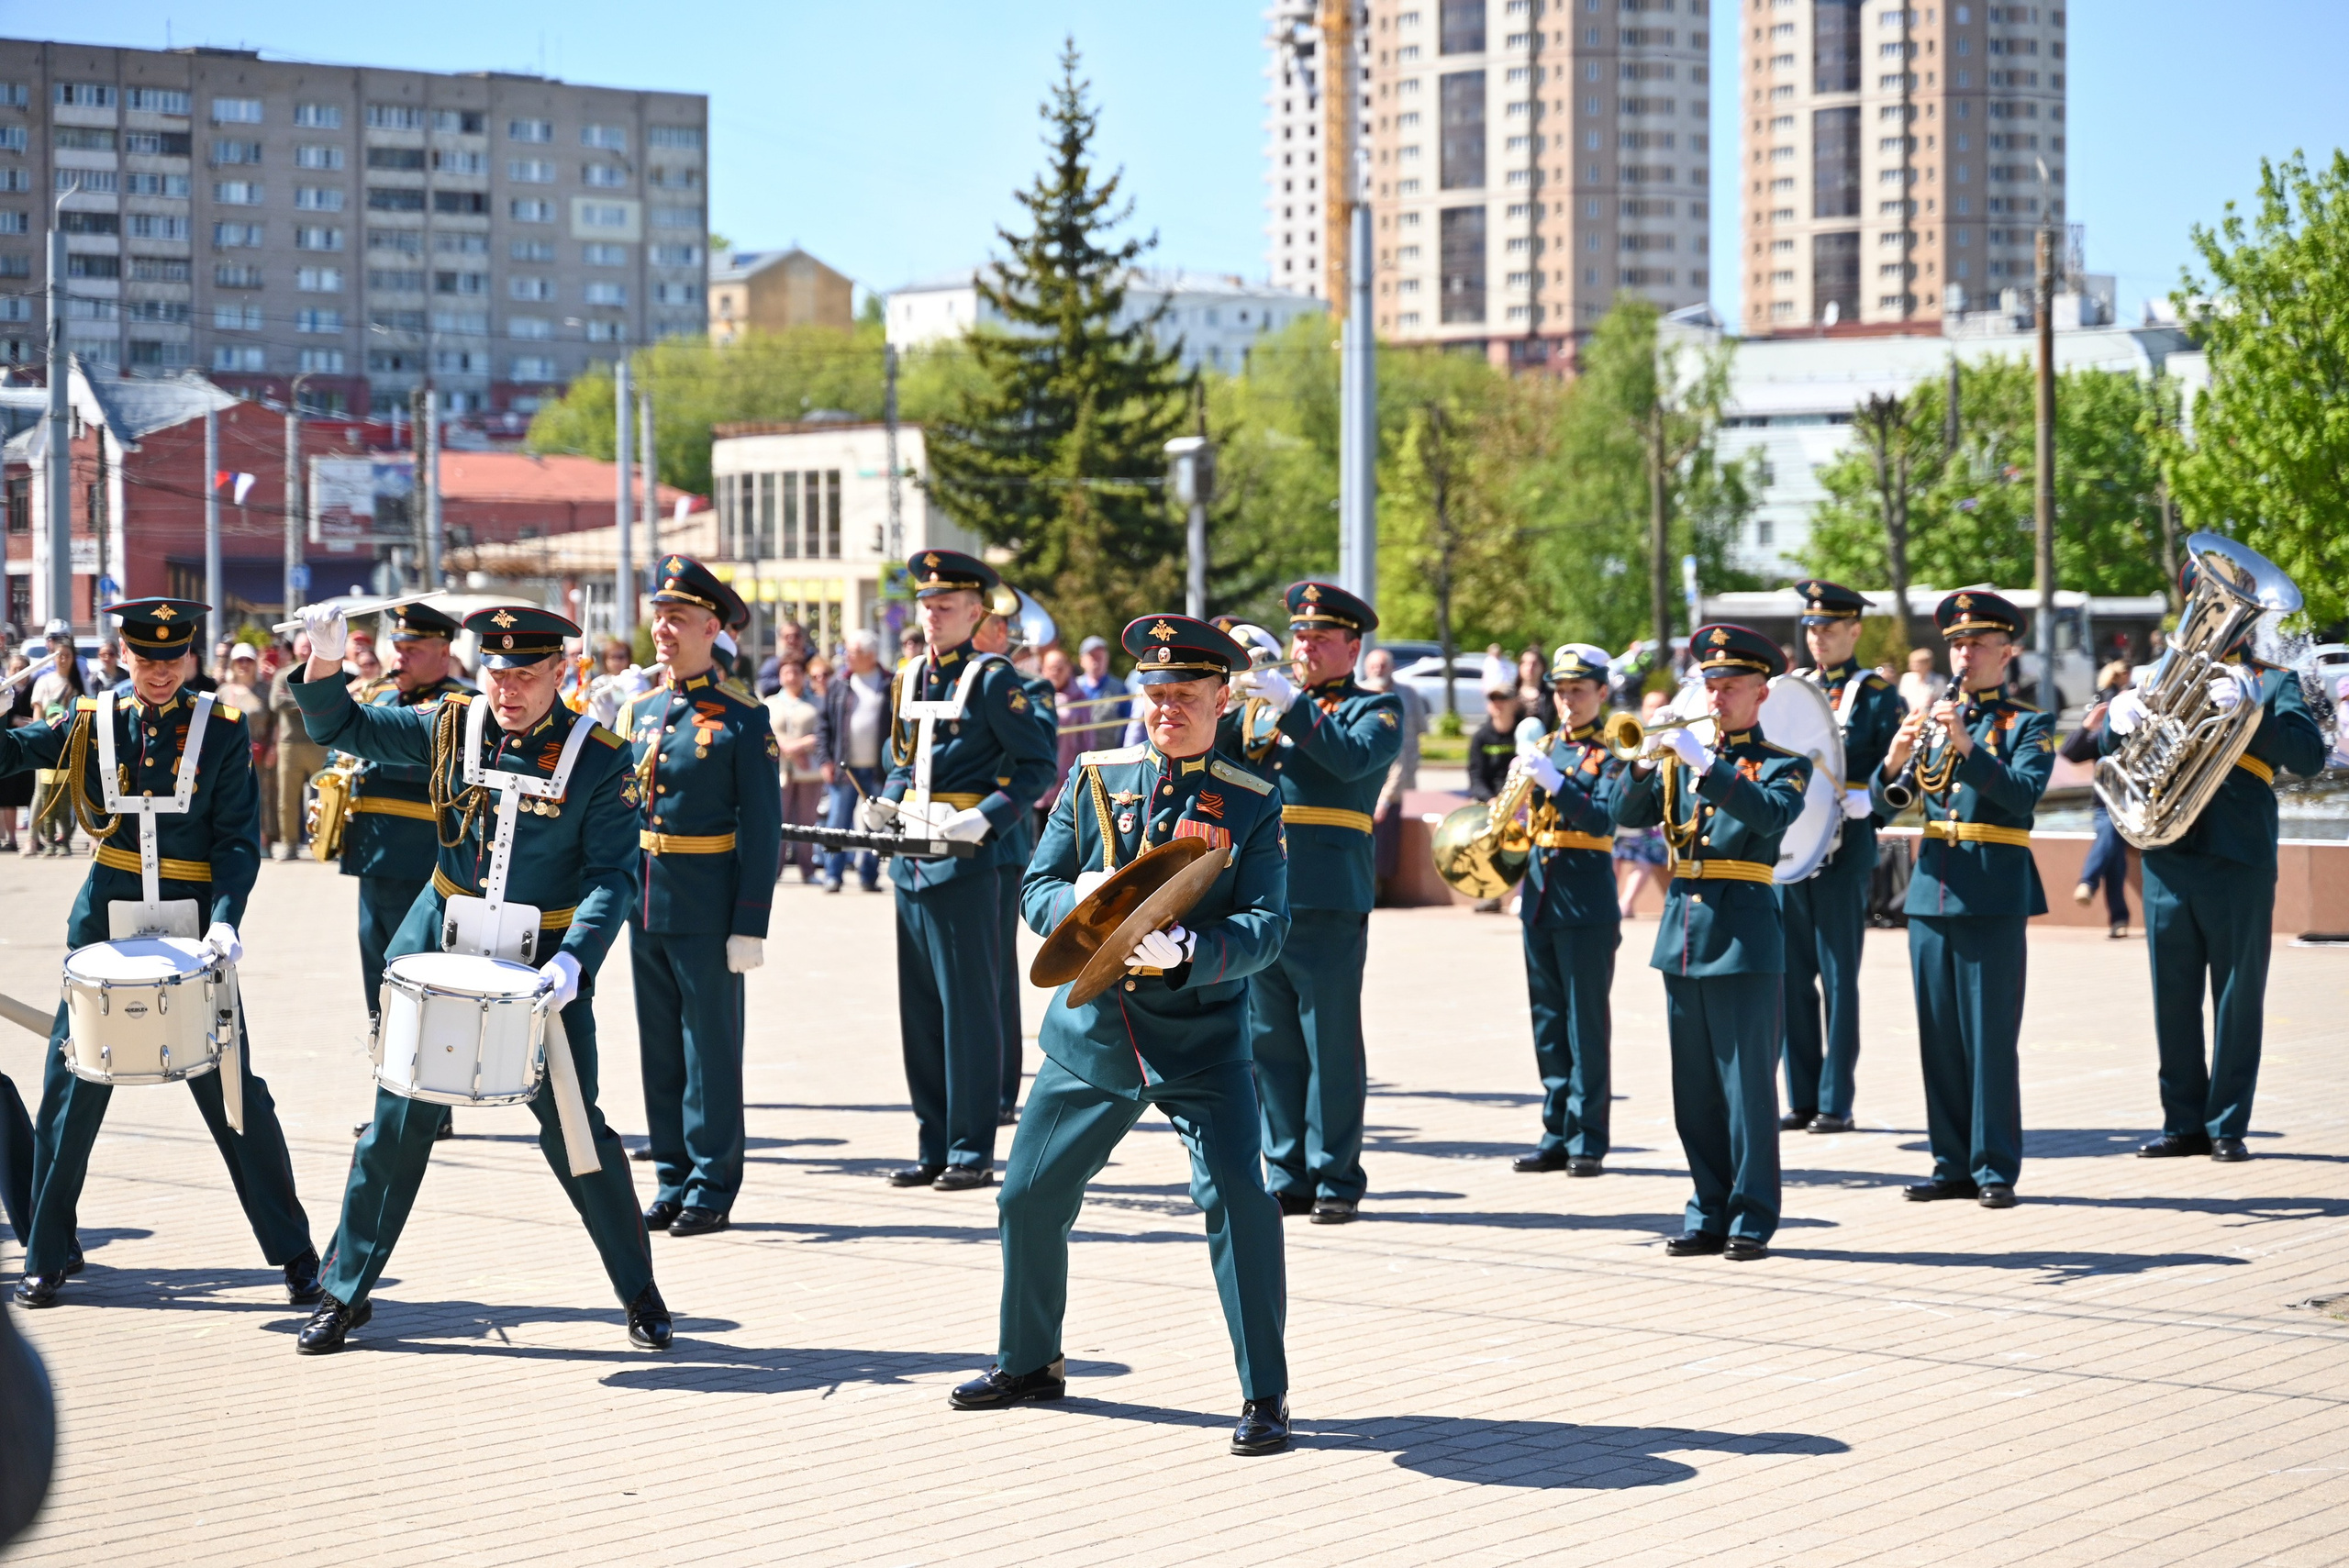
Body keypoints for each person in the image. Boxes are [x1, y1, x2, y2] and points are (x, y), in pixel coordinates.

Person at [285, 599, 669, 1353]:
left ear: (561, 671)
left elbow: (613, 876)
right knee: (396, 1127)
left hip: (543, 962)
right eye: (496, 673)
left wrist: (576, 958)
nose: (507, 691)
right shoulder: (451, 723)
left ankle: (639, 1290)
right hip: (443, 948)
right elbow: (343, 728)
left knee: (574, 1130)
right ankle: (344, 1291)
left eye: (525, 674)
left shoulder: (600, 756)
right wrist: (324, 664)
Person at [952, 613, 1293, 1457]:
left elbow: (1268, 927)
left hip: (1201, 1038)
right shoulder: (1095, 777)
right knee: (1026, 1196)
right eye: (1154, 693)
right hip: (1094, 1032)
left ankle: (1265, 1393)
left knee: (1239, 1203)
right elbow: (1036, 883)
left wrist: (1193, 952)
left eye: (1183, 694)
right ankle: (1030, 1362)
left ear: (1223, 697)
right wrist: (1073, 903)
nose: (1165, 708)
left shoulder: (1252, 801)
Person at [3, 598, 319, 1309]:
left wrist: (229, 919)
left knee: (237, 1095)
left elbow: (239, 837)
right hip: (105, 932)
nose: (158, 673)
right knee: (69, 1095)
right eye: (146, 659)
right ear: (124, 653)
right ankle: (47, 1253)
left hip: (194, 935)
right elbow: (13, 757)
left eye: (171, 659)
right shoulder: (91, 722)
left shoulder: (222, 730)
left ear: (190, 655)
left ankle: (296, 1253)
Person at [2101, 567, 2326, 1163]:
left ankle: (2226, 1123)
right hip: (2168, 853)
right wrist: (2114, 720)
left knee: (2235, 995)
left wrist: (2256, 712)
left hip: (2237, 854)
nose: (2216, 617)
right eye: (2205, 603)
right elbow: (2119, 752)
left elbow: (2308, 756)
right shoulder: (2157, 677)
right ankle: (2183, 1122)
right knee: (2171, 996)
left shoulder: (2274, 682)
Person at [1612, 623, 1812, 1261]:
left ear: (1762, 694)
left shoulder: (1786, 764)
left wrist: (1710, 767)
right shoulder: (1681, 754)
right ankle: (1708, 1207)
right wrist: (1649, 758)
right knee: (1694, 1090)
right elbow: (1625, 810)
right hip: (1684, 934)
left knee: (1747, 1089)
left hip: (1745, 934)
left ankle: (1752, 1215)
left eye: (1730, 686)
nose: (1717, 697)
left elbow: (1769, 814)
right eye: (1711, 684)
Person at [863, 550, 1056, 1191]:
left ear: (976, 613)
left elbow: (1036, 767)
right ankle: (933, 1140)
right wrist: (884, 804)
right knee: (919, 1011)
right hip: (913, 864)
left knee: (969, 1010)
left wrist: (990, 817)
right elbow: (902, 759)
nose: (932, 614)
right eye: (926, 604)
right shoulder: (911, 675)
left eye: (945, 606)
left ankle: (972, 1149)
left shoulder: (995, 680)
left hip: (969, 862)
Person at [616, 556, 784, 1238]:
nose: (662, 628)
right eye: (658, 616)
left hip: (709, 906)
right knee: (659, 1047)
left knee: (709, 1048)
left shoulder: (744, 716)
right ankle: (672, 1177)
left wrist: (751, 923)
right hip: (644, 901)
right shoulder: (639, 710)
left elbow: (764, 830)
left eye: (677, 617)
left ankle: (713, 1183)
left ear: (711, 627)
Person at [1226, 580, 1401, 1225]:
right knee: (1269, 1041)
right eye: (1300, 635)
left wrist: (1294, 707)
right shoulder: (1262, 709)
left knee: (1328, 1041)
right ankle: (1288, 1170)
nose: (1305, 646)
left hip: (1328, 896)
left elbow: (1351, 761)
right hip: (1262, 895)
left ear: (1353, 648)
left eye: (1321, 638)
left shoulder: (1375, 709)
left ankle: (1336, 1176)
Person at [1871, 591, 2054, 1208]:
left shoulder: (2027, 724)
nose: (1964, 653)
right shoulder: (1935, 719)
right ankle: (1950, 1162)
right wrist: (1893, 759)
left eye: (1977, 644)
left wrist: (1969, 748)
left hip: (1993, 892)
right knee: (1940, 1037)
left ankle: (1994, 1166)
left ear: (2007, 652)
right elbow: (1884, 802)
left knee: (1989, 1037)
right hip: (1931, 893)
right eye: (1957, 643)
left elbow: (2023, 795)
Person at [333, 604, 473, 1140]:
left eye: (413, 648)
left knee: (428, 992)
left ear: (445, 651)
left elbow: (434, 767)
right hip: (375, 865)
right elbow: (347, 749)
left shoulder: (462, 708)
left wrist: (376, 751)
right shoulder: (381, 699)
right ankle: (395, 1099)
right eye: (399, 646)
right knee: (381, 994)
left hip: (425, 868)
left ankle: (432, 1106)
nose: (400, 656)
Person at [1778, 581, 1908, 1135]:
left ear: (1855, 630)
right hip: (1792, 845)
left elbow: (1901, 775)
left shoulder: (1878, 696)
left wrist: (1872, 801)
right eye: (1812, 628)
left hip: (1845, 848)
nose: (1818, 638)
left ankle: (1836, 1100)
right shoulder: (1789, 690)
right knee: (1790, 979)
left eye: (1829, 629)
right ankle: (1801, 1097)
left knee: (1838, 978)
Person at [1510, 644, 1626, 1176]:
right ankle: (1555, 1130)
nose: (1567, 701)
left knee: (1585, 1024)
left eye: (1578, 691)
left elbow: (1604, 819)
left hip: (1586, 901)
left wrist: (1558, 783)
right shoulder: (1549, 744)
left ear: (1602, 693)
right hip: (1540, 895)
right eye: (1560, 691)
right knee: (1548, 1024)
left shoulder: (1615, 749)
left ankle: (1589, 1137)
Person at [973, 584, 1059, 1123]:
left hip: (999, 840)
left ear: (1002, 632)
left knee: (997, 970)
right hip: (947, 841)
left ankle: (1002, 1088)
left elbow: (1039, 748)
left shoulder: (1031, 687)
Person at [816, 628, 891, 894]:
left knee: (876, 824)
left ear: (870, 655)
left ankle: (869, 875)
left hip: (880, 770)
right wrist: (825, 760)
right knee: (837, 821)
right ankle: (832, 875)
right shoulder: (839, 683)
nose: (847, 656)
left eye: (854, 652)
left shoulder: (890, 683)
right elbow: (823, 726)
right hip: (844, 768)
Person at [2067, 661, 2134, 938]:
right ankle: (2118, 918)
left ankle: (2089, 883)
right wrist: (2086, 727)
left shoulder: (2137, 717)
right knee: (2112, 848)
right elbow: (2070, 753)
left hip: (2134, 803)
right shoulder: (2106, 715)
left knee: (2111, 843)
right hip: (2107, 801)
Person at [1359, 648, 1425, 901]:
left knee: (1389, 843)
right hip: (1367, 782)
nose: (1378, 670)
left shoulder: (1409, 695)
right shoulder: (1358, 693)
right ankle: (1371, 887)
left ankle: (1382, 888)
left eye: (1383, 665)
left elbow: (1417, 737)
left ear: (1393, 667)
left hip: (1401, 783)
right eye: (1374, 666)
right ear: (1366, 668)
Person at [268, 632, 331, 860]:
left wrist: (294, 699)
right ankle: (290, 844)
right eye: (302, 647)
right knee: (287, 798)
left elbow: (328, 700)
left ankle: (325, 843)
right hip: (289, 744)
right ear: (295, 649)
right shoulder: (282, 675)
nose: (305, 650)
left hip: (319, 743)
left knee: (326, 797)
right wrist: (308, 700)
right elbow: (276, 703)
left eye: (309, 646)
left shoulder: (323, 672)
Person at [26, 628, 85, 859]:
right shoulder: (44, 681)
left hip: (72, 745)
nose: (63, 659)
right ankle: (34, 839)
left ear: (72, 657)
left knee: (76, 795)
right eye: (59, 655)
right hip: (47, 744)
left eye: (67, 655)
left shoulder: (78, 684)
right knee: (41, 795)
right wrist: (37, 741)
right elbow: (38, 715)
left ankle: (89, 839)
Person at [766, 657, 825, 884]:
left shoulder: (816, 702)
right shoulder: (771, 702)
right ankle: (775, 870)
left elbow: (823, 732)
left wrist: (801, 746)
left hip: (809, 770)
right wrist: (787, 749)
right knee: (777, 819)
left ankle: (807, 869)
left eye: (796, 672)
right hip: (779, 769)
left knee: (807, 820)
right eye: (787, 672)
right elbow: (765, 731)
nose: (791, 677)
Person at [1465, 686, 1522, 803]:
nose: (1497, 703)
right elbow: (1476, 777)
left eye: (1503, 698)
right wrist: (1490, 799)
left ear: (1515, 703)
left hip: (1520, 799)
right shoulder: (1480, 737)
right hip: (1489, 800)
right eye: (1493, 699)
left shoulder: (1523, 732)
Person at [1514, 645, 1558, 731]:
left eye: (1534, 664)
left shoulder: (1552, 695)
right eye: (1525, 663)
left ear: (1542, 667)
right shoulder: (1511, 694)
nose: (1530, 668)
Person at [1898, 647, 1947, 716]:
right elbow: (1901, 700)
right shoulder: (1906, 678)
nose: (1913, 665)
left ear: (1928, 664)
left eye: (1918, 662)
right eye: (1912, 662)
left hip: (1931, 718)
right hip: (1910, 717)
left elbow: (1945, 701)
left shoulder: (1938, 680)